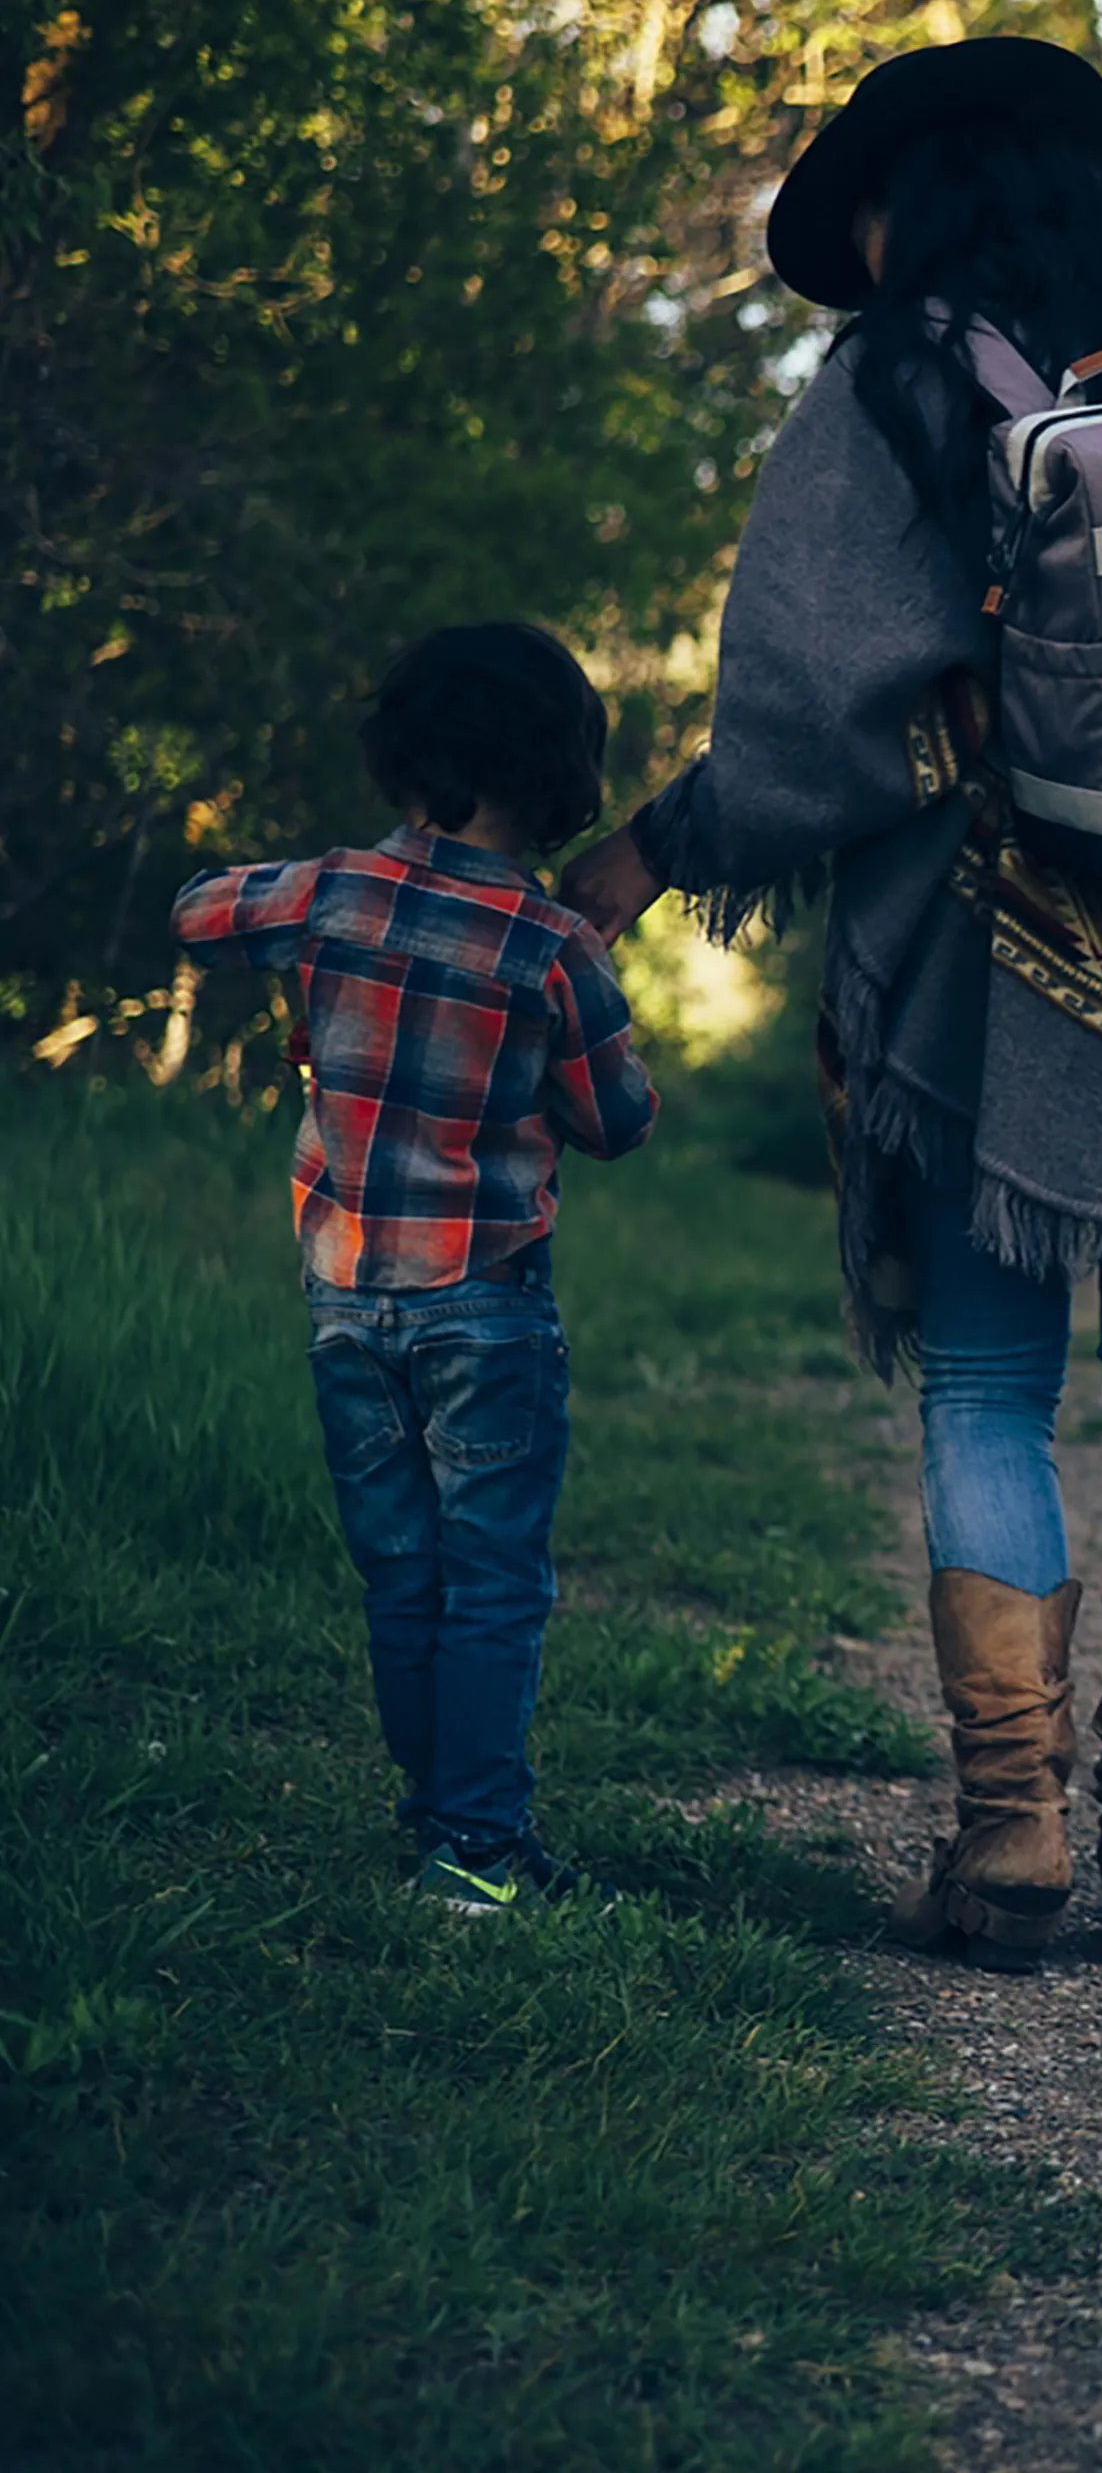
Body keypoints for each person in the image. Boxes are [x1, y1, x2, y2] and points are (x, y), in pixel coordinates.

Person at [564, 39, 1102, 1969]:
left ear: (919, 192)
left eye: (858, 210)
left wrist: (647, 848)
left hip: (981, 957)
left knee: (983, 1377)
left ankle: (1015, 1831)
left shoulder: (890, 379)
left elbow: (816, 720)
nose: (854, 248)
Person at [172, 623, 658, 1913]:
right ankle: (478, 1852)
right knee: (494, 1576)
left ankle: (435, 1819)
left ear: (401, 758)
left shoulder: (325, 896)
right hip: (487, 1307)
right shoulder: (551, 948)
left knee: (402, 1569)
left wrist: (310, 982)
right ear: (561, 779)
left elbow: (194, 914)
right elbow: (620, 1121)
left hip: (346, 1301)